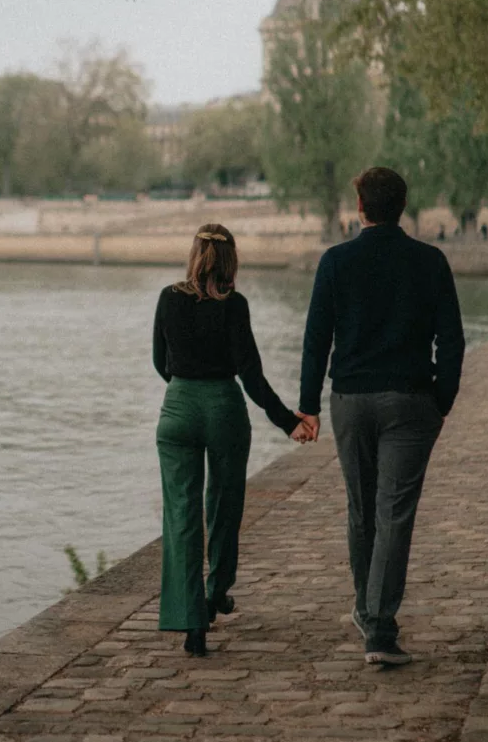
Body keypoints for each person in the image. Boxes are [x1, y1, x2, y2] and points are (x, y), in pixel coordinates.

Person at [297, 167, 465, 667]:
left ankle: (367, 612)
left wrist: (308, 404)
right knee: (394, 513)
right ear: (402, 206)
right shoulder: (430, 262)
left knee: (361, 507)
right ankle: (379, 629)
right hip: (411, 400)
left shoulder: (335, 262)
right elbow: (451, 339)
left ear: (360, 208)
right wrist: (443, 399)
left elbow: (315, 340)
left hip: (351, 398)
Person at [154, 223, 309, 657]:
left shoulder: (168, 298)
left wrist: (185, 387)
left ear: (194, 253)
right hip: (223, 406)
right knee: (223, 504)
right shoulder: (234, 305)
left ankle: (192, 625)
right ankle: (214, 591)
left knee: (182, 516)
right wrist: (288, 421)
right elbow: (252, 375)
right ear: (230, 261)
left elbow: (159, 361)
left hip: (177, 409)